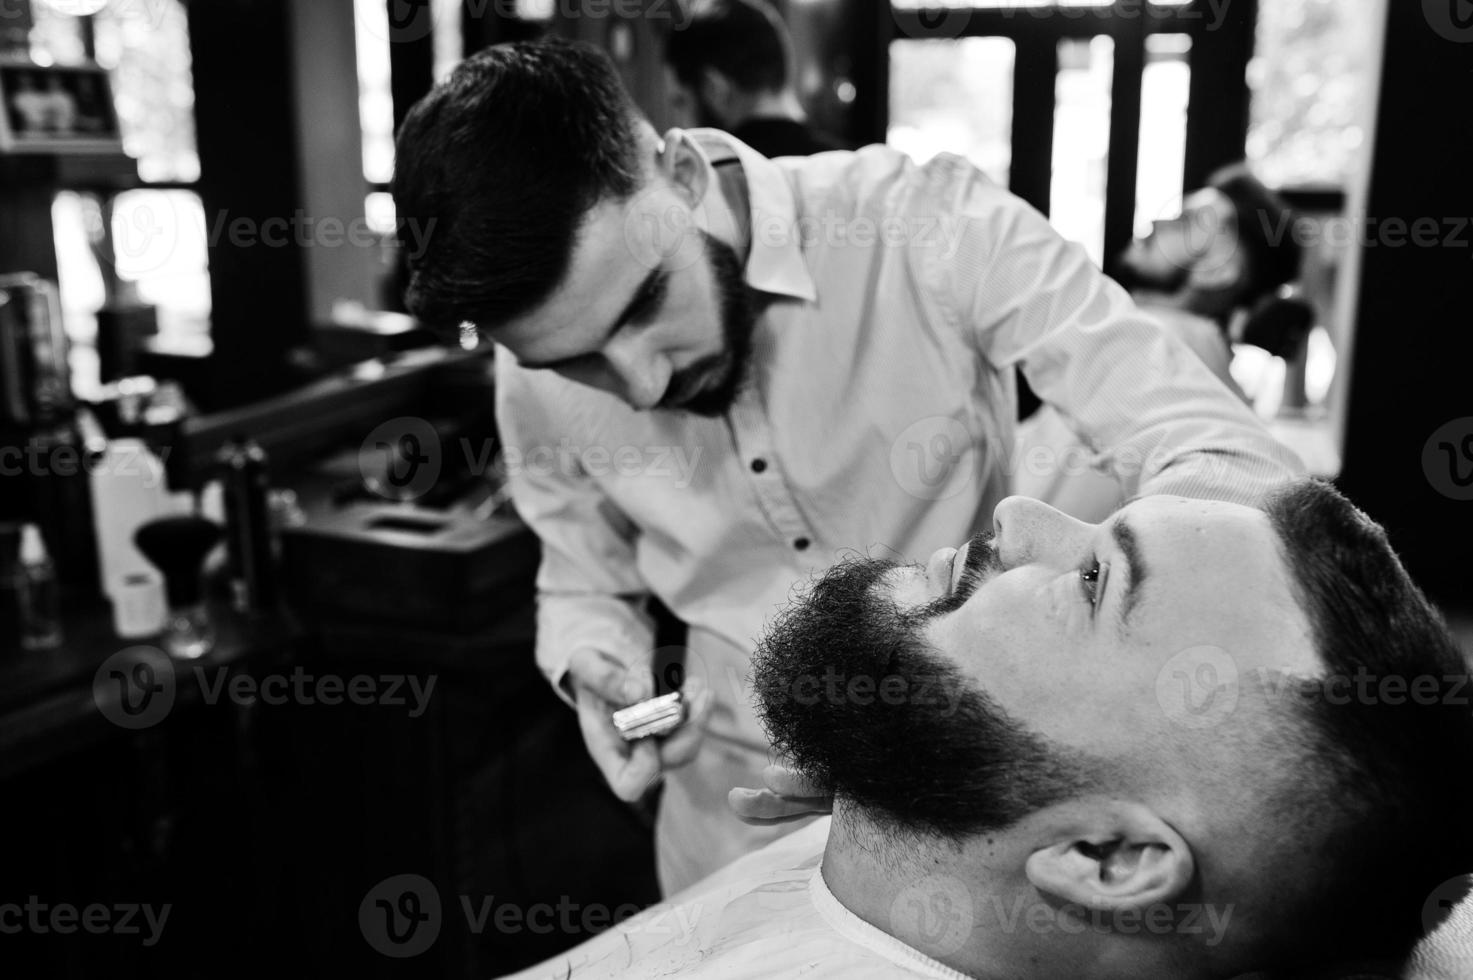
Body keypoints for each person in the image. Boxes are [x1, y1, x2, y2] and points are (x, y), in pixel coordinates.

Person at [391, 38, 1305, 895]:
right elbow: (581, 575)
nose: (642, 381)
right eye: (578, 363)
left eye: (644, 303)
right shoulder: (526, 373)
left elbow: (1213, 448)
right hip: (724, 813)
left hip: (964, 798)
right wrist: (602, 668)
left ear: (678, 172)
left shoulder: (927, 224)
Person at [502, 480, 1473, 979]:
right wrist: (908, 754)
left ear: (1108, 855)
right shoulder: (971, 802)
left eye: (1096, 579)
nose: (1017, 513)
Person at [1017, 166, 1306, 522]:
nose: (1156, 224)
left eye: (1185, 222)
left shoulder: (1147, 352)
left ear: (1219, 269)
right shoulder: (1191, 358)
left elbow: (1032, 512)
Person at [663, 0, 842, 157]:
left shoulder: (708, 183)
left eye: (681, 101)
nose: (682, 124)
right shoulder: (851, 169)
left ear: (714, 89)